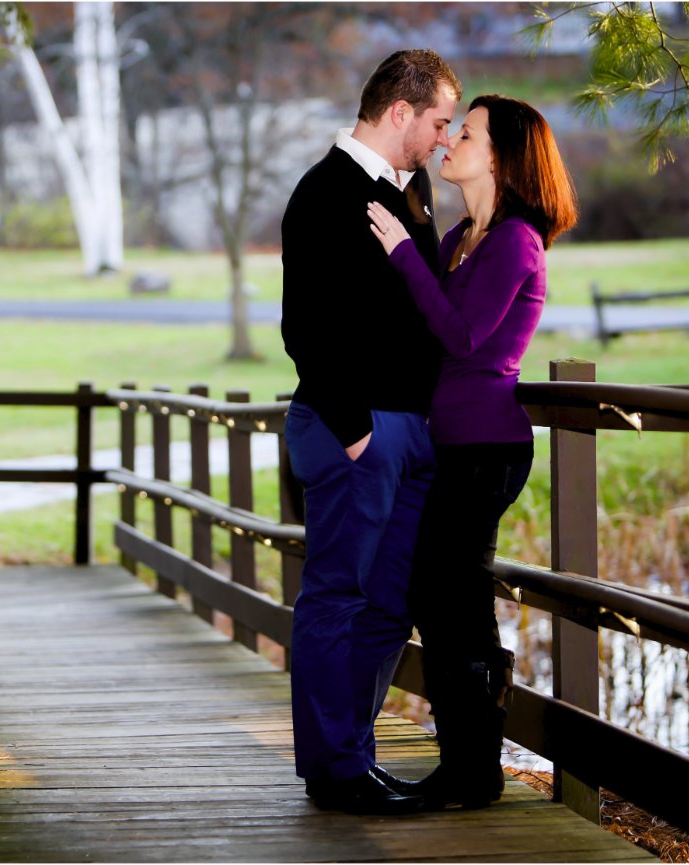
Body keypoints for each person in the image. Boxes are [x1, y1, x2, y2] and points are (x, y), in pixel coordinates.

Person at [365, 94, 578, 809]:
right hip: (447, 446)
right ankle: (471, 766)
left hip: (486, 451)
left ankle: (469, 767)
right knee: (448, 600)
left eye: (469, 131)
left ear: (502, 156)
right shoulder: (461, 236)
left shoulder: (517, 240)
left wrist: (400, 249)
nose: (452, 138)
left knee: (445, 596)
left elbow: (461, 336)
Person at [279, 49, 460, 815]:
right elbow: (304, 329)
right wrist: (356, 430)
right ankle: (333, 769)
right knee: (338, 596)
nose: (443, 139)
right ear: (399, 113)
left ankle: (354, 755)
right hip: (354, 431)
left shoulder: (409, 193)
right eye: (438, 122)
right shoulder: (324, 194)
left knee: (389, 604)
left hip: (411, 434)